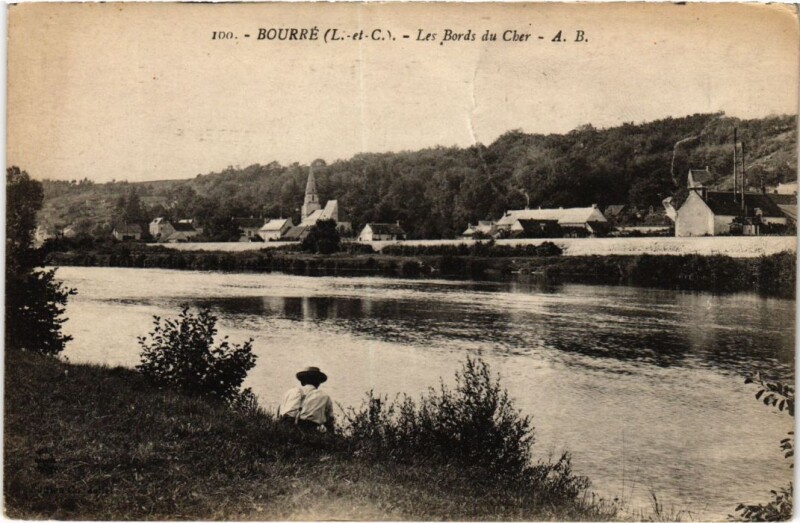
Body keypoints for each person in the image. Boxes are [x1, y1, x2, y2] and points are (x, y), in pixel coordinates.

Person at [277, 366, 334, 434]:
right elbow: (330, 420)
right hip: (309, 431)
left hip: (285, 428)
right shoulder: (325, 397)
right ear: (318, 383)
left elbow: (281, 412)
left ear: (302, 381)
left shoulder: (290, 392)